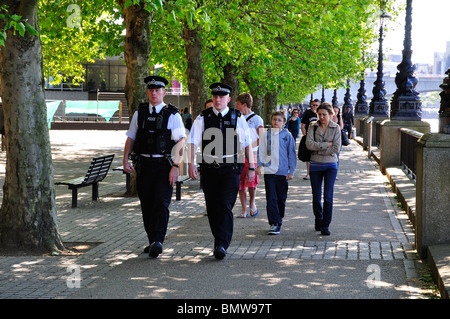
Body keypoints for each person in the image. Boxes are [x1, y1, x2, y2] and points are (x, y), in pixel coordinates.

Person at [188, 82, 255, 259]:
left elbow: (247, 143)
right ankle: (219, 239)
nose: (218, 100)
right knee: (213, 206)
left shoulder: (236, 117)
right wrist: (190, 163)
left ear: (228, 99)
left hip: (231, 168)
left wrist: (252, 167)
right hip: (210, 169)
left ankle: (222, 244)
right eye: (215, 96)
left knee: (225, 205)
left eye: (222, 97)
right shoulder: (203, 117)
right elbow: (192, 142)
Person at [122, 75, 185, 258]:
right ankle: (152, 240)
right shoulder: (139, 112)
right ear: (147, 92)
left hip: (164, 166)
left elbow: (181, 141)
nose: (154, 93)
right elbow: (131, 137)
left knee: (161, 204)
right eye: (151, 90)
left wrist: (176, 166)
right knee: (147, 205)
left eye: (157, 90)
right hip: (143, 166)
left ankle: (158, 241)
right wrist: (125, 159)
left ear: (164, 92)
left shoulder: (172, 114)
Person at [257, 111, 296, 235]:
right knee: (271, 197)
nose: (276, 122)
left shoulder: (287, 135)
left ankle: (279, 217)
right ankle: (274, 223)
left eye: (279, 120)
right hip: (269, 171)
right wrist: (259, 165)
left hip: (282, 171)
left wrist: (291, 171)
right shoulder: (266, 135)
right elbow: (261, 151)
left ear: (284, 122)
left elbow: (291, 153)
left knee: (281, 197)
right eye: (274, 119)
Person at [305, 102, 341, 236]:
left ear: (331, 115)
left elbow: (336, 148)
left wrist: (318, 149)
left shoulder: (336, 128)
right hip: (315, 165)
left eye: (324, 114)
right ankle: (318, 219)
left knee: (328, 196)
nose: (321, 117)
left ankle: (325, 224)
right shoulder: (312, 126)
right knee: (316, 196)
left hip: (330, 165)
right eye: (319, 114)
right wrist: (326, 145)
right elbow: (309, 144)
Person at [235, 92, 264, 218]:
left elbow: (262, 137)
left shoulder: (257, 119)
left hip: (252, 154)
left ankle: (252, 203)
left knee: (251, 181)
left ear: (244, 104)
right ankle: (243, 208)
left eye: (238, 104)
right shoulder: (237, 118)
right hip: (239, 154)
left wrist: (249, 146)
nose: (236, 106)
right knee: (240, 182)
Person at [300, 99, 319, 180]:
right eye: (313, 105)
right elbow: (303, 126)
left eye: (316, 105)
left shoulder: (321, 113)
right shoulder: (307, 113)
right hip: (310, 137)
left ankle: (318, 173)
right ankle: (308, 173)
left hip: (319, 137)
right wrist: (306, 136)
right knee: (309, 156)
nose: (315, 106)